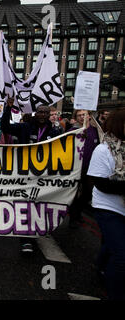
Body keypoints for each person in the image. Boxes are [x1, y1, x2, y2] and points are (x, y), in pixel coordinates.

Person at [1, 98, 61, 253]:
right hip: (25, 174)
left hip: (45, 175)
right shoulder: (25, 127)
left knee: (39, 206)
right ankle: (25, 239)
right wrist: (7, 108)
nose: (42, 114)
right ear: (36, 113)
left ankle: (35, 232)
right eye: (40, 112)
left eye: (45, 112)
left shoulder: (55, 131)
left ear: (49, 114)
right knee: (26, 206)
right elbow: (5, 127)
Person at [87, 107, 125, 300]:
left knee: (113, 246)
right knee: (122, 258)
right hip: (108, 208)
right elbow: (99, 182)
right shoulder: (103, 149)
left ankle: (101, 267)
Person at [67, 109, 99, 228]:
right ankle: (74, 218)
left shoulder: (96, 131)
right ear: (76, 118)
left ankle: (78, 212)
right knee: (73, 194)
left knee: (88, 193)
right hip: (75, 168)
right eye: (79, 115)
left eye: (84, 114)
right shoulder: (72, 131)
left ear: (89, 116)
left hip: (91, 168)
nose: (82, 117)